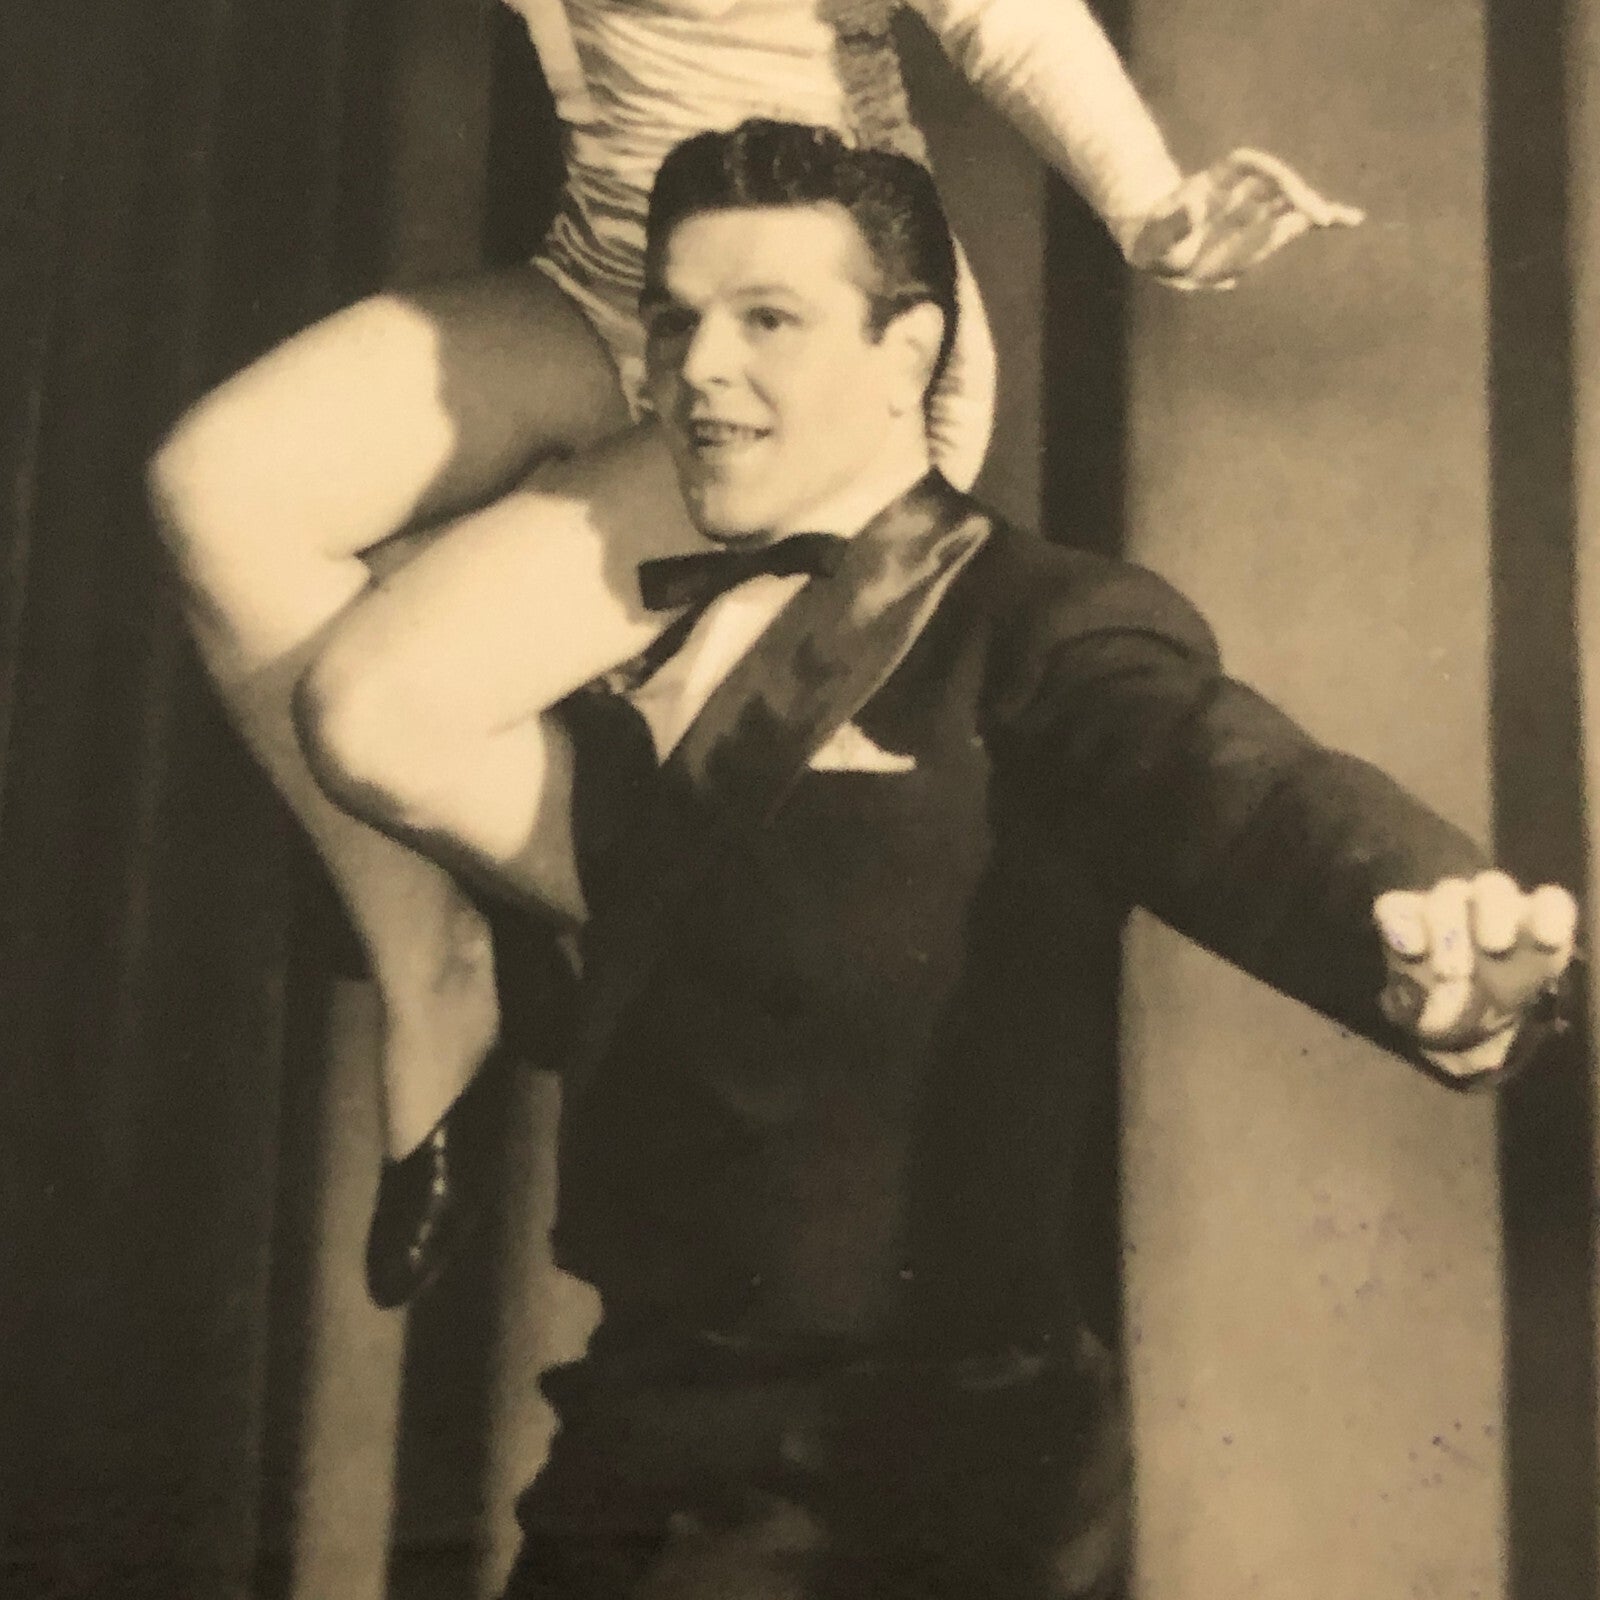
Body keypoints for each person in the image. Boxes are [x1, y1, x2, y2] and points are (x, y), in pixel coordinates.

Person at [298, 118, 1574, 1597]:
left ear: (912, 354)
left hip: (908, 1483)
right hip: (638, 1437)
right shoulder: (608, 650)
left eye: (768, 319)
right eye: (676, 321)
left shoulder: (1044, 623)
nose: (698, 367)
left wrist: (1415, 923)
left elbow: (1231, 782)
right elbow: (374, 722)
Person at [147, 0, 1362, 1306]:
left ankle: (715, 971)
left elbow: (1003, 20)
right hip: (607, 285)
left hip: (813, 360)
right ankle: (433, 974)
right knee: (224, 489)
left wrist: (1152, 207)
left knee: (378, 716)